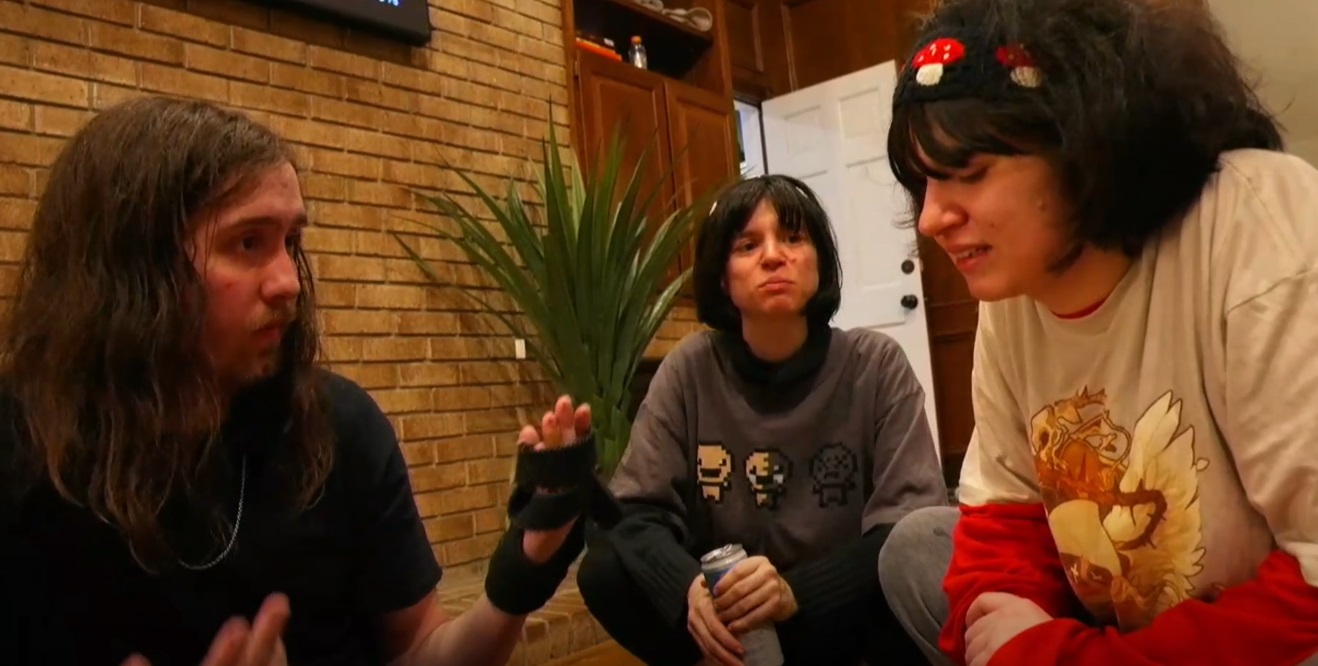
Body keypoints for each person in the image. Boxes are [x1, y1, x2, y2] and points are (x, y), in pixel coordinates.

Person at [0, 95, 618, 666]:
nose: (288, 282)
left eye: (290, 241)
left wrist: (521, 574)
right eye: (247, 242)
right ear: (137, 266)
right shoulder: (19, 451)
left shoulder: (338, 428)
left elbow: (420, 649)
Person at [874, 0, 1318, 665]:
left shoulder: (1256, 223)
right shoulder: (1016, 280)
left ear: (1083, 147)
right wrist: (1024, 636)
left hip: (1265, 623)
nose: (931, 220)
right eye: (924, 184)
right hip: (1120, 622)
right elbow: (1002, 519)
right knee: (915, 548)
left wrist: (1059, 657)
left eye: (969, 174)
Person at [576, 174, 950, 665]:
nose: (773, 256)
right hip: (729, 616)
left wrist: (794, 594)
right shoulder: (690, 368)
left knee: (916, 560)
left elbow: (908, 526)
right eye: (747, 245)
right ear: (722, 278)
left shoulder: (874, 364)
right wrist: (688, 589)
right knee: (604, 568)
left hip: (835, 614)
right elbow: (637, 511)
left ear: (820, 262)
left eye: (793, 238)